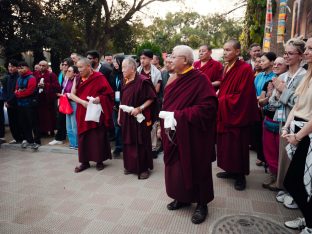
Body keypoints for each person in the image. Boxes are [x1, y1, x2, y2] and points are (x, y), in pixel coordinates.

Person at [160, 45, 217, 225]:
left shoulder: (200, 80)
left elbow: (209, 108)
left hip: (194, 135)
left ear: (184, 60)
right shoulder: (173, 79)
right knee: (176, 169)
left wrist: (179, 115)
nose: (169, 59)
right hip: (174, 133)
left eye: (173, 56)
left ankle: (202, 204)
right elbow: (167, 105)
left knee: (197, 167)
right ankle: (182, 197)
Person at [216, 39, 259, 191]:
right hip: (226, 112)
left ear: (238, 51)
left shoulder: (245, 69)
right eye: (224, 50)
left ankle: (240, 176)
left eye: (228, 50)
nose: (225, 53)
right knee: (226, 145)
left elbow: (243, 95)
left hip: (237, 114)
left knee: (237, 146)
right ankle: (229, 170)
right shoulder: (226, 67)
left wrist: (221, 100)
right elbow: (224, 87)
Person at [269, 38, 306, 209]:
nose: (286, 57)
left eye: (290, 53)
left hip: (298, 123)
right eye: (285, 53)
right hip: (281, 120)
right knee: (282, 156)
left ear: (300, 56)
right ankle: (283, 186)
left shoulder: (304, 77)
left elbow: (299, 103)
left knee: (295, 159)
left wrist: (283, 91)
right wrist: (280, 96)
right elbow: (273, 102)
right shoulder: (282, 75)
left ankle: (293, 191)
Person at [282, 37, 312, 234]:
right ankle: (308, 219)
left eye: (310, 48)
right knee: (298, 180)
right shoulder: (309, 75)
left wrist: (299, 136)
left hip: (306, 135)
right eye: (307, 47)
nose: (307, 51)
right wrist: (286, 126)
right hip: (298, 129)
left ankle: (310, 224)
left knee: (294, 181)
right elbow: (297, 105)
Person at [70, 57, 114, 173]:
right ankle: (84, 162)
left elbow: (109, 94)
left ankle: (99, 160)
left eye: (81, 67)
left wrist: (100, 98)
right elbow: (72, 94)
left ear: (88, 67)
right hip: (82, 110)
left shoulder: (99, 77)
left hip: (95, 111)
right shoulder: (78, 78)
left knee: (97, 136)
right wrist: (82, 102)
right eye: (77, 67)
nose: (78, 70)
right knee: (83, 136)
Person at [118, 57, 156, 179]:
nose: (122, 70)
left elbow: (151, 98)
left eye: (124, 67)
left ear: (133, 68)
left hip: (139, 116)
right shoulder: (124, 80)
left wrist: (140, 108)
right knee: (128, 141)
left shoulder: (143, 81)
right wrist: (119, 114)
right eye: (122, 67)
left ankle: (143, 168)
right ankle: (130, 166)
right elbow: (122, 100)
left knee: (141, 141)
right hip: (126, 117)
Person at [253, 52, 277, 167]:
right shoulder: (259, 76)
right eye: (259, 61)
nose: (260, 63)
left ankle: (268, 159)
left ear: (272, 62)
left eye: (263, 61)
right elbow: (253, 91)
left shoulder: (275, 76)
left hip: (270, 110)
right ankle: (260, 156)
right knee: (258, 134)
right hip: (258, 108)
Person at [137, 49, 162, 158]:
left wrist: (146, 95)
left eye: (144, 58)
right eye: (141, 58)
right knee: (140, 124)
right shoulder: (138, 71)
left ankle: (153, 148)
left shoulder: (156, 72)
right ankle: (141, 146)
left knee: (152, 125)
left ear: (151, 59)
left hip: (152, 103)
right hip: (139, 103)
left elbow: (156, 90)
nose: (142, 61)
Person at [15, 61, 41, 149]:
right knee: (24, 123)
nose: (20, 70)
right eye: (19, 68)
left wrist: (20, 93)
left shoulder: (31, 78)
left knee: (33, 123)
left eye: (22, 68)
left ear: (27, 68)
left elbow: (30, 91)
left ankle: (37, 141)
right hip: (20, 104)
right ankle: (29, 140)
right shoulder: (19, 78)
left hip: (29, 104)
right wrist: (20, 92)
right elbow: (16, 90)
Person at [49, 58, 74, 145]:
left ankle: (73, 142)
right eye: (63, 64)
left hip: (71, 100)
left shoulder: (73, 76)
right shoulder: (62, 74)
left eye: (66, 65)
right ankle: (60, 138)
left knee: (71, 123)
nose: (63, 66)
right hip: (63, 99)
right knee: (61, 119)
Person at [34, 60, 61, 136]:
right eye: (40, 65)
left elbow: (57, 87)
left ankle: (52, 131)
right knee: (40, 116)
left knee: (50, 117)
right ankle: (43, 132)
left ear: (47, 67)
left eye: (43, 66)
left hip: (49, 100)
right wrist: (37, 86)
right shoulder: (35, 74)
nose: (41, 67)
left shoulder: (52, 75)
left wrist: (45, 85)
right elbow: (33, 85)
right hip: (39, 99)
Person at [2, 60, 23, 144]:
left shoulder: (19, 77)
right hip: (8, 103)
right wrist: (6, 100)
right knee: (12, 122)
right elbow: (4, 90)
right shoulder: (7, 77)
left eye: (12, 66)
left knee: (18, 121)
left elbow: (17, 91)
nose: (10, 68)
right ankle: (16, 138)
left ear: (16, 68)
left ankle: (21, 138)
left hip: (17, 103)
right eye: (9, 66)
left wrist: (9, 101)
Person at [109, 55, 125, 157]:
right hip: (114, 104)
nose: (115, 64)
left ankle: (126, 146)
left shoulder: (125, 74)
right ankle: (118, 147)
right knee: (117, 126)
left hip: (125, 103)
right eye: (114, 62)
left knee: (125, 126)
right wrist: (113, 104)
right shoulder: (112, 74)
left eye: (117, 62)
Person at [65, 65, 79, 149]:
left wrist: (67, 95)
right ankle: (72, 143)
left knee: (74, 125)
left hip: (74, 103)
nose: (67, 72)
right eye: (67, 71)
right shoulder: (66, 80)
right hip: (67, 103)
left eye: (70, 71)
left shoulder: (76, 80)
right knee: (68, 126)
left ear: (75, 73)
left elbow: (74, 93)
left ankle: (77, 144)